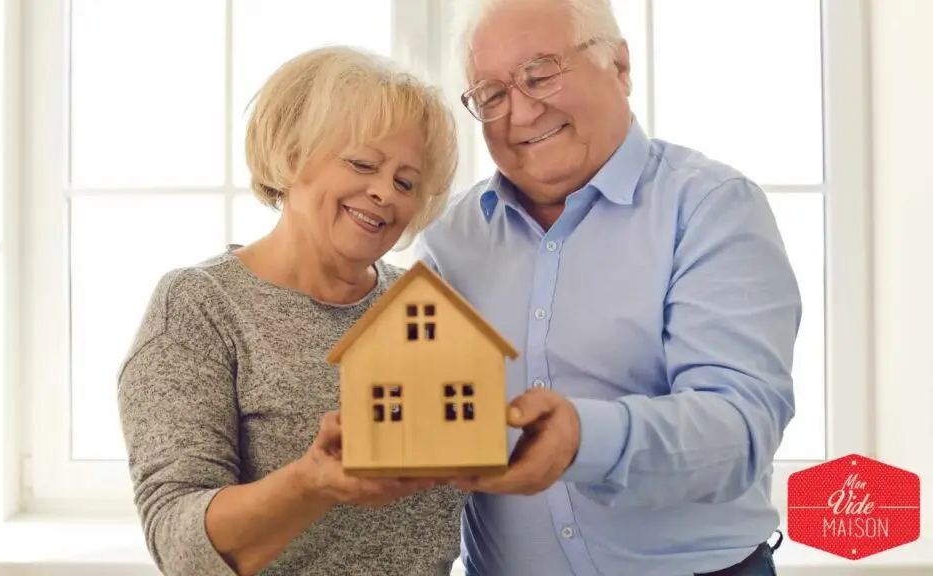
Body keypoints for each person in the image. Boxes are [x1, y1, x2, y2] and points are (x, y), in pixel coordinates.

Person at [415, 0, 801, 574]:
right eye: (491, 95)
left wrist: (584, 439)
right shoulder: (449, 240)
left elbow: (740, 425)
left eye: (540, 74)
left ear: (619, 66)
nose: (520, 112)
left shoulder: (709, 207)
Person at [117, 45, 465, 576]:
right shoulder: (200, 305)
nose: (383, 194)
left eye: (405, 182)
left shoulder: (422, 309)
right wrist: (310, 482)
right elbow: (178, 544)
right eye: (363, 164)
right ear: (293, 154)